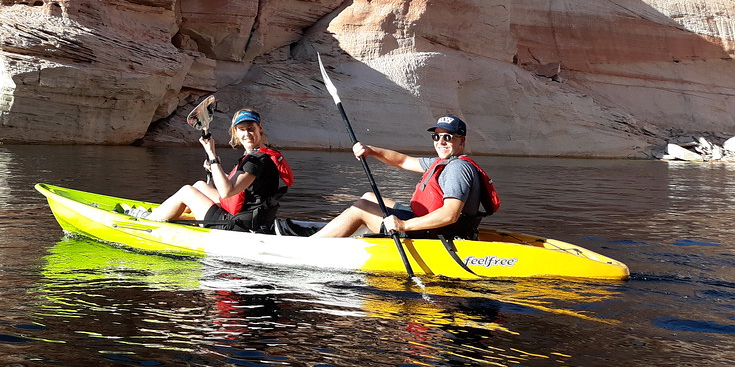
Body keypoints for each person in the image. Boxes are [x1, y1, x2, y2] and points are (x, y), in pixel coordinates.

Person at [310, 114, 498, 240]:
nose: (440, 142)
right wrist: (370, 150)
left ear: (462, 141)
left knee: (361, 208)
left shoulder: (457, 169)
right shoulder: (442, 162)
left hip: (434, 234)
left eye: (447, 137)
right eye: (436, 136)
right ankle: (344, 232)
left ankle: (312, 245)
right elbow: (403, 161)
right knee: (369, 197)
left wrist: (403, 225)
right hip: (426, 223)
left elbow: (450, 214)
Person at [142, 109, 294, 232]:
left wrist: (212, 155)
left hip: (241, 224)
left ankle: (147, 224)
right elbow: (244, 185)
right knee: (200, 185)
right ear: (236, 132)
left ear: (260, 128)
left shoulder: (256, 160)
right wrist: (214, 169)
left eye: (251, 129)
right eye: (242, 130)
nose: (247, 134)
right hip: (252, 217)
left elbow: (226, 192)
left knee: (186, 191)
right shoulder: (262, 154)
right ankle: (182, 214)